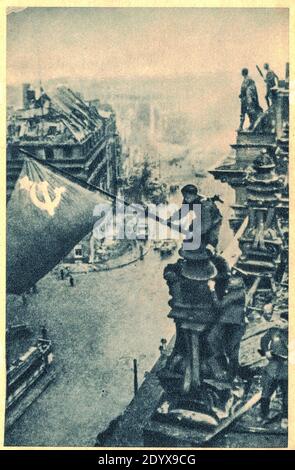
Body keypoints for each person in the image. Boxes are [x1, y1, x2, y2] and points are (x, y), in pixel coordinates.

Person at [207, 275, 246, 381]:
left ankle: (230, 375)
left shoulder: (234, 295)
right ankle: (228, 369)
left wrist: (212, 289)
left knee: (214, 340)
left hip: (231, 324)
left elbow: (219, 305)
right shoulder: (240, 291)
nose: (229, 282)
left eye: (231, 282)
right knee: (227, 347)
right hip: (232, 322)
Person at [258, 320, 288, 429]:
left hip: (287, 369)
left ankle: (286, 417)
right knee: (265, 393)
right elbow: (264, 340)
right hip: (273, 367)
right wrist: (266, 351)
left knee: (287, 395)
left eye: (284, 321)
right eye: (281, 320)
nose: (280, 323)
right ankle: (263, 414)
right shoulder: (274, 331)